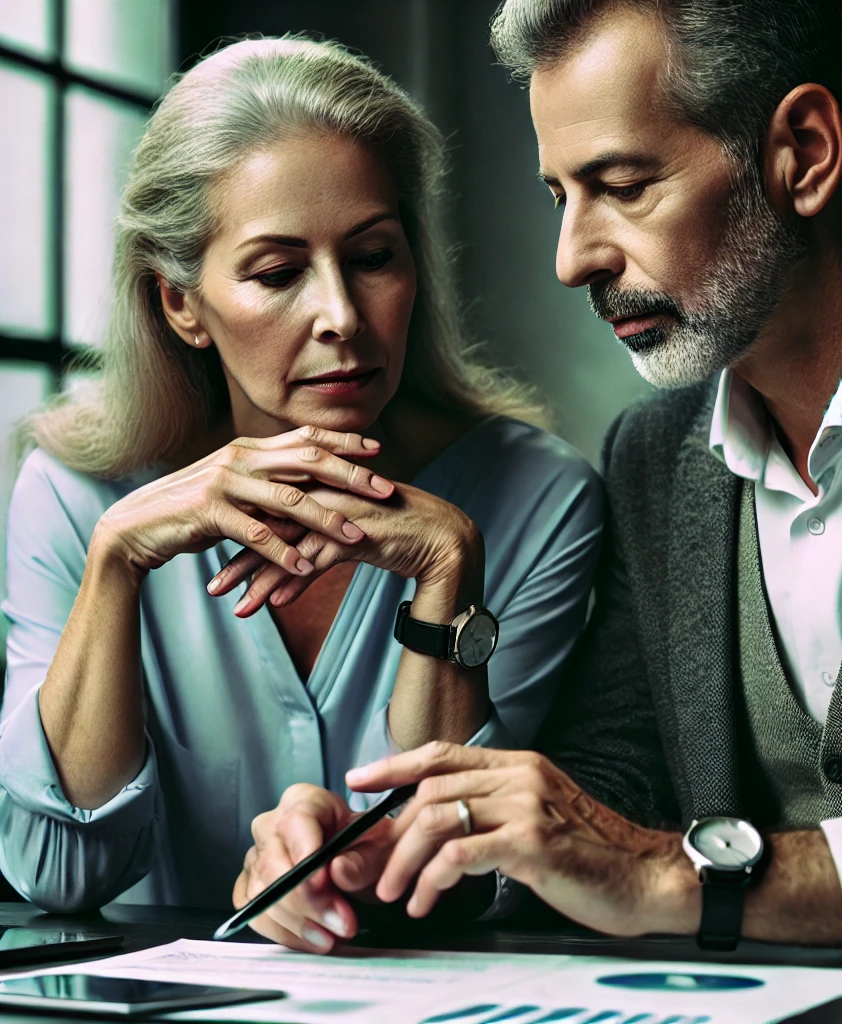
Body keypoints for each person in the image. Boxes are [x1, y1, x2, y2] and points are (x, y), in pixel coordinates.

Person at [240, 0, 842, 960]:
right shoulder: (654, 457)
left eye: (622, 186)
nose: (573, 259)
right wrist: (411, 860)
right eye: (560, 198)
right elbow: (612, 794)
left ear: (806, 153)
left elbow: (643, 859)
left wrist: (685, 877)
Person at [0, 36, 603, 931]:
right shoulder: (74, 495)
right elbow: (58, 871)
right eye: (279, 273)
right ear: (181, 304)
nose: (342, 317)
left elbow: (454, 874)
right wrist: (116, 561)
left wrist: (448, 566)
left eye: (373, 257)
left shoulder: (540, 499)